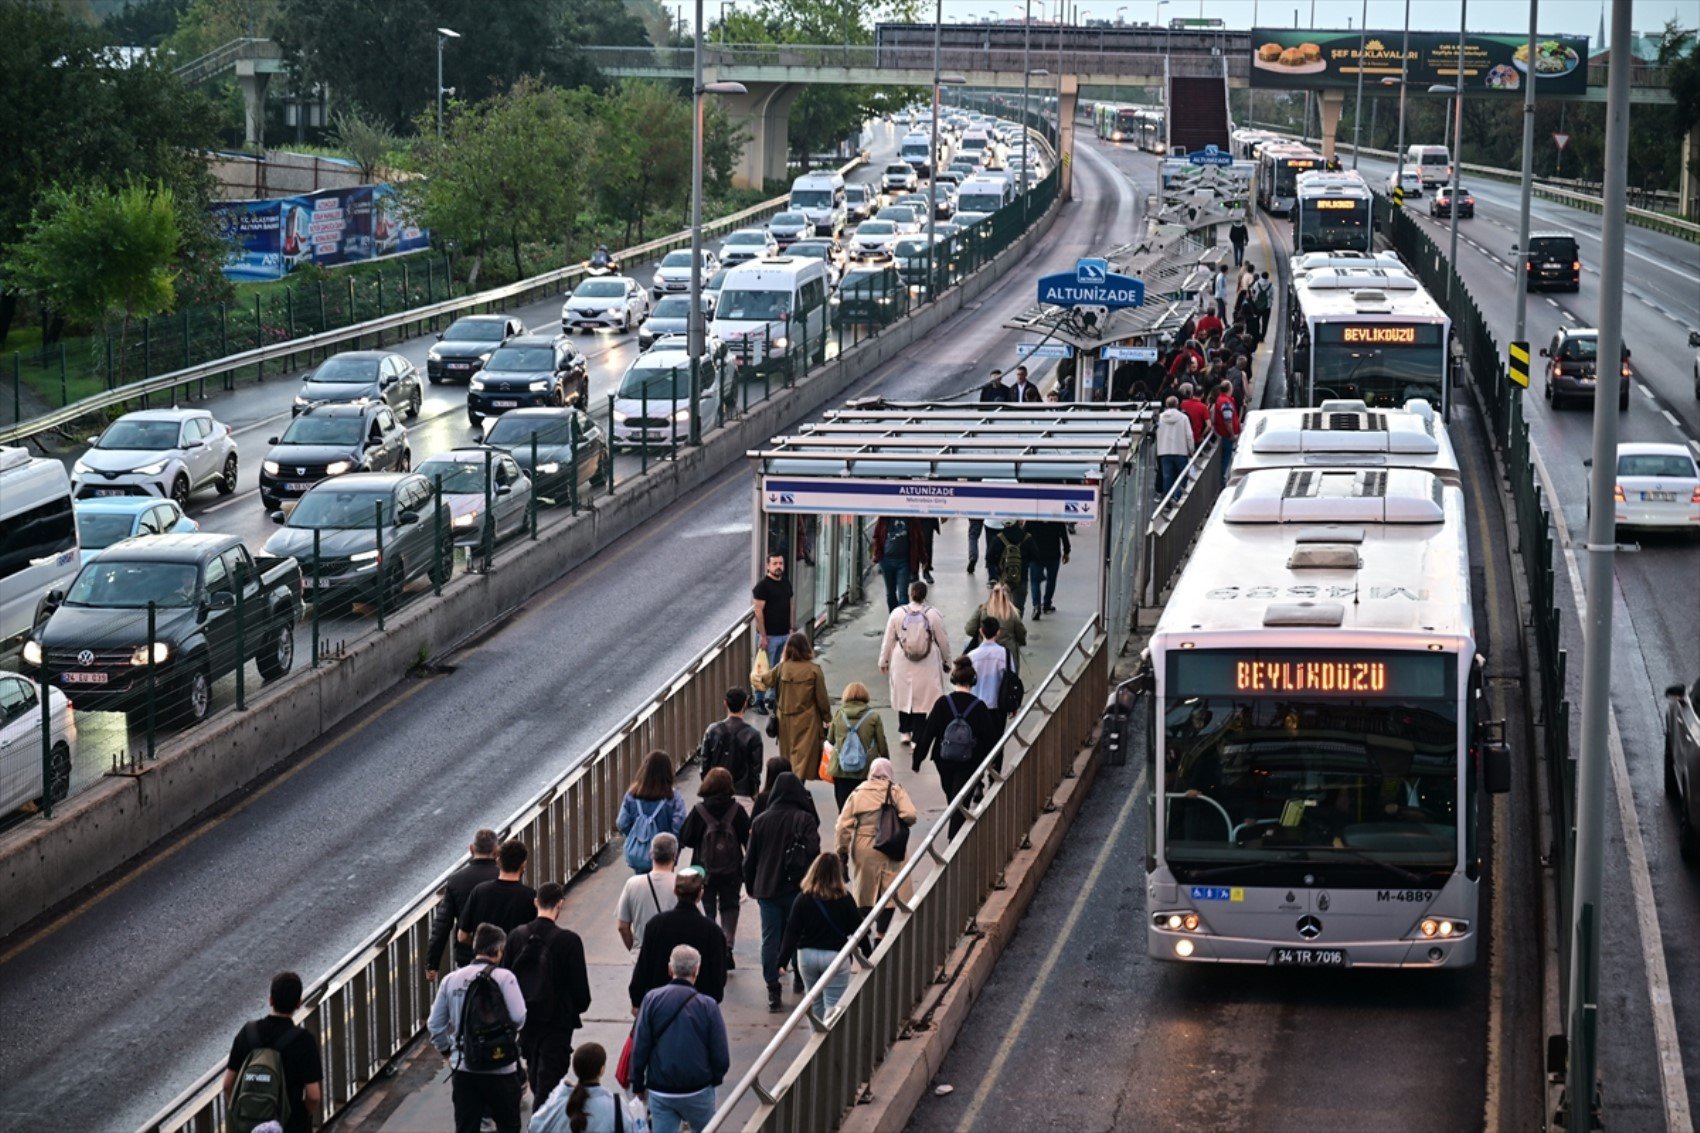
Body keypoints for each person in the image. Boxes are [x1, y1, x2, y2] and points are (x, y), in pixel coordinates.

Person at [428, 924, 528, 1133]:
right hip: (502, 1069)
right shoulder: (505, 978)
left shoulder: (450, 980)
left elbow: (435, 1025)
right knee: (509, 1126)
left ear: (475, 948)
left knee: (467, 1127)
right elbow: (519, 1018)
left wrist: (447, 1051)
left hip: (465, 1067)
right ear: (498, 951)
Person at [503, 882, 592, 1105]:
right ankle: (542, 1124)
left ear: (536, 902)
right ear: (560, 904)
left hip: (526, 1021)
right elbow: (581, 994)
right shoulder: (569, 941)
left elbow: (506, 981)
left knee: (535, 1077)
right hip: (557, 1023)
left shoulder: (516, 936)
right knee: (549, 1085)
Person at [629, 945, 730, 1133]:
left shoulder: (651, 999)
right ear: (696, 970)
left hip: (661, 1088)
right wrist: (714, 1079)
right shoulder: (708, 1005)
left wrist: (637, 1082)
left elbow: (640, 1045)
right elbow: (720, 1053)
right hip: (698, 1088)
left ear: (670, 969)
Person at [743, 771, 821, 1011]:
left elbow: (750, 860)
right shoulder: (804, 819)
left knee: (770, 938)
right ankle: (799, 976)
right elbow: (814, 853)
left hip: (767, 888)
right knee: (797, 934)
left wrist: (751, 886)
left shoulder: (760, 821)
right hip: (797, 888)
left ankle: (773, 988)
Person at [914, 657, 1004, 837]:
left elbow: (928, 732)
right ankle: (955, 838)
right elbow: (990, 738)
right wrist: (993, 764)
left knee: (952, 795)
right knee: (961, 799)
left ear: (953, 679)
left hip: (943, 759)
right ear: (973, 681)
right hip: (970, 761)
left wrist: (918, 759)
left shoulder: (942, 703)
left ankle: (954, 835)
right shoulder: (979, 707)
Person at [223, 971, 323, 1133]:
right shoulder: (304, 1040)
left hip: (250, 1127)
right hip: (289, 1126)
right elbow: (313, 1095)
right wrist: (300, 1117)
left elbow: (228, 1085)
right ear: (298, 1003)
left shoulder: (248, 1032)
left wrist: (243, 1116)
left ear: (270, 1000)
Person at [778, 852, 869, 1015]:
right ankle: (832, 1039)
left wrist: (782, 961)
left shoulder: (803, 898)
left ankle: (816, 1038)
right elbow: (858, 929)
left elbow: (792, 931)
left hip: (807, 956)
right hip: (835, 957)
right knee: (833, 1006)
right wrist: (869, 955)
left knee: (815, 1003)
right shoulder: (845, 898)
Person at [834, 759, 917, 933]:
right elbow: (910, 815)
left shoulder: (858, 793)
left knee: (865, 890)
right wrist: (896, 821)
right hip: (890, 845)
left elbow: (842, 826)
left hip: (864, 846)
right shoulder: (895, 791)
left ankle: (863, 930)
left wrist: (842, 851)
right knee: (890, 891)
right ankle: (881, 933)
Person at [677, 769, 750, 961]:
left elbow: (686, 838)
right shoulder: (737, 811)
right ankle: (727, 945)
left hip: (703, 869)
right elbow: (747, 839)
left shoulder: (699, 811)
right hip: (732, 869)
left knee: (708, 907)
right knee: (730, 906)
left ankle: (710, 945)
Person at [630, 869, 729, 1007]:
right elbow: (718, 980)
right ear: (700, 893)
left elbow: (643, 968)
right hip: (698, 1008)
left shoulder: (656, 925)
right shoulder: (713, 932)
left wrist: (636, 1000)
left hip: (660, 1006)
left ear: (675, 892)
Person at [878, 580, 950, 747]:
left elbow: (888, 639)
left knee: (904, 694)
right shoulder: (933, 614)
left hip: (901, 659)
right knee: (922, 699)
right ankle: (918, 737)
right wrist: (947, 661)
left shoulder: (897, 613)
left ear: (911, 594)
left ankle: (904, 731)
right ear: (925, 595)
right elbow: (943, 640)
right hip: (928, 661)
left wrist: (884, 660)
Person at [428, 828, 500, 980]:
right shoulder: (504, 876)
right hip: (499, 954)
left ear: (471, 849)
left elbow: (442, 924)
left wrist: (432, 963)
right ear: (496, 851)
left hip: (468, 955)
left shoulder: (456, 880)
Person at [617, 750, 688, 873]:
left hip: (639, 854)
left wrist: (638, 835)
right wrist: (674, 847)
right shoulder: (673, 797)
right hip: (666, 855)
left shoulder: (632, 795)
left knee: (640, 886)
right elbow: (680, 827)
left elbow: (622, 823)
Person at [458, 839, 536, 950]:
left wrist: (484, 947)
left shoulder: (479, 891)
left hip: (485, 963)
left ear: (498, 861)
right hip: (516, 963)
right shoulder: (531, 896)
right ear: (523, 865)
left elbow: (462, 936)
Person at [529, 1043, 624, 1133]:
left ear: (575, 1070)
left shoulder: (560, 1100)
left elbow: (534, 1126)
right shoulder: (616, 1105)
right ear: (602, 1069)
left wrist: (560, 1091)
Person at [773, 633, 830, 780]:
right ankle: (798, 784)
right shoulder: (814, 670)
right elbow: (822, 698)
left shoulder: (782, 668)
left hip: (785, 719)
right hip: (807, 719)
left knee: (787, 753)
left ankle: (787, 782)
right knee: (803, 756)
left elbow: (763, 680)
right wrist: (827, 718)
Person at [825, 681, 888, 810]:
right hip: (865, 770)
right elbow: (882, 742)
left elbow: (830, 740)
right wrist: (886, 762)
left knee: (844, 810)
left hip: (841, 770)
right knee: (864, 809)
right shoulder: (873, 717)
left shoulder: (838, 715)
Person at [616, 833, 680, 952]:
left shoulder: (633, 884)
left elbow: (622, 927)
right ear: (675, 856)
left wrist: (634, 949)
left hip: (643, 953)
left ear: (651, 854)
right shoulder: (683, 885)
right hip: (674, 957)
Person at [696, 688, 763, 798]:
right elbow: (756, 769)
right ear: (745, 704)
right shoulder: (753, 735)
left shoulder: (712, 730)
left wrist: (707, 785)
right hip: (743, 792)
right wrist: (753, 793)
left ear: (725, 703)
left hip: (715, 791)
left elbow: (704, 763)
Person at [750, 553, 793, 714]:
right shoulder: (762, 586)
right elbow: (758, 611)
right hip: (769, 636)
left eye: (780, 563)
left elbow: (790, 605)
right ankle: (759, 700)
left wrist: (791, 628)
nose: (778, 566)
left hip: (784, 634)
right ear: (768, 566)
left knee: (778, 668)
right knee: (763, 669)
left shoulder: (786, 583)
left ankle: (773, 698)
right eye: (774, 563)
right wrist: (763, 635)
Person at [965, 583, 1027, 673]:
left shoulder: (982, 610)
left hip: (985, 654)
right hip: (1008, 655)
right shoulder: (1013, 613)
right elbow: (1021, 634)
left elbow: (969, 629)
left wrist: (981, 635)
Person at [965, 615, 1010, 730]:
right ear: (998, 632)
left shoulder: (971, 656)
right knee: (997, 740)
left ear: (981, 631)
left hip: (975, 704)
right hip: (997, 705)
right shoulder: (1004, 654)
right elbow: (1011, 678)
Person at [1023, 521, 1070, 620]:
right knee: (1051, 580)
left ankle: (1036, 606)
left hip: (1035, 554)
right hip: (1053, 554)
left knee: (1035, 582)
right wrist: (1066, 551)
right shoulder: (1057, 518)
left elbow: (1024, 535)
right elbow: (1064, 535)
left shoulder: (1033, 517)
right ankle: (1047, 604)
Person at [871, 515, 913, 612]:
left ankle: (902, 620)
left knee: (903, 594)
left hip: (904, 561)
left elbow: (918, 539)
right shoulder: (884, 518)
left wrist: (923, 559)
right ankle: (894, 619)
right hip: (886, 561)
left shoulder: (911, 519)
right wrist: (876, 555)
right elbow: (876, 536)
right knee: (890, 593)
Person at [993, 520, 1035, 616]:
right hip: (1021, 577)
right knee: (1018, 607)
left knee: (1003, 607)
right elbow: (1035, 556)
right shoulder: (1027, 537)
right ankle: (1016, 626)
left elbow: (989, 558)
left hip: (1004, 578)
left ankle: (1005, 627)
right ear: (1019, 522)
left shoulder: (999, 538)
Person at [1156, 395, 1195, 497]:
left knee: (1167, 478)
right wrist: (1191, 450)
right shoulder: (1183, 418)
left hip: (1164, 451)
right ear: (1177, 404)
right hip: (1181, 451)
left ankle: (1167, 501)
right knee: (1182, 477)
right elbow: (1189, 435)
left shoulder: (1160, 418)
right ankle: (1177, 496)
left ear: (1166, 405)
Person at [1210, 378, 1241, 479]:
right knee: (1226, 459)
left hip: (1222, 434)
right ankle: (1222, 479)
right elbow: (1228, 421)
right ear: (1230, 389)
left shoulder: (1220, 400)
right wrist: (1232, 435)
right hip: (1226, 436)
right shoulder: (1225, 403)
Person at [1178, 382, 1209, 447]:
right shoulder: (1203, 407)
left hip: (1183, 437)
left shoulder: (1183, 403)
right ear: (1203, 395)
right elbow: (1209, 425)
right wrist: (1202, 435)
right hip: (1196, 438)